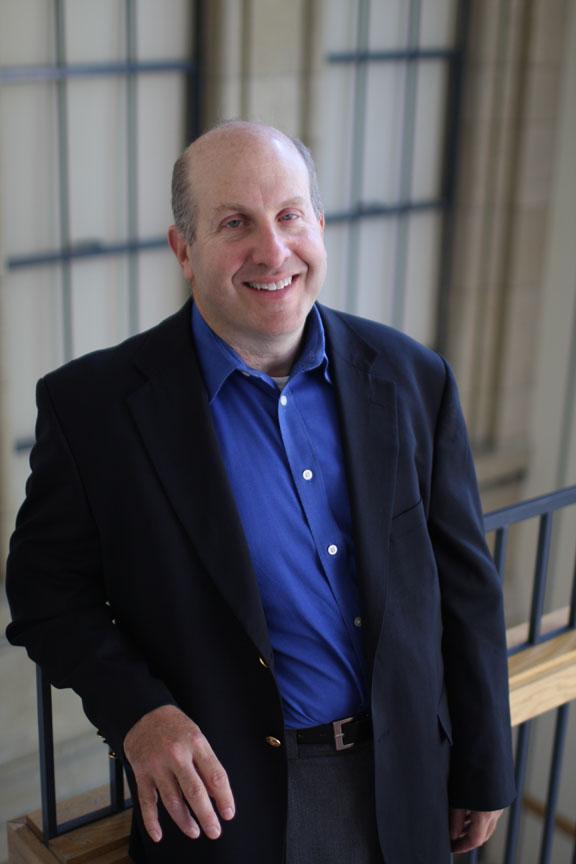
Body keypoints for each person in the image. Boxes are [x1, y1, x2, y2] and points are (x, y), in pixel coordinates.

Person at [6, 121, 516, 864]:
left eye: (289, 216)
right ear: (184, 250)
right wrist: (139, 715)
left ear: (319, 227)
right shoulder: (94, 408)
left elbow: (467, 585)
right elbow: (44, 591)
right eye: (234, 223)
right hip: (229, 810)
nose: (273, 252)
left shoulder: (414, 376)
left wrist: (484, 762)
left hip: (409, 785)